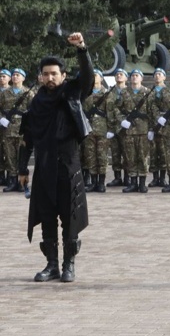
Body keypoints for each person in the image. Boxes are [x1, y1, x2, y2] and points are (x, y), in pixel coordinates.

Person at [18, 32, 93, 282]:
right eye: (46, 74)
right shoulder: (36, 104)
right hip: (44, 167)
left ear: (62, 76)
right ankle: (51, 265)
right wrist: (22, 169)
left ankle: (68, 264)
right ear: (40, 76)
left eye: (54, 74)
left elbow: (88, 79)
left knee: (70, 218)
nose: (50, 78)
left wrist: (82, 49)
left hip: (68, 167)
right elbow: (26, 139)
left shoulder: (71, 94)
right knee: (47, 217)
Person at [81, 69, 115, 193]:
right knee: (90, 156)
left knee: (102, 156)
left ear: (101, 78)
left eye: (96, 76)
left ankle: (101, 182)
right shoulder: (85, 93)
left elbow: (110, 112)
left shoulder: (107, 93)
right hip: (89, 128)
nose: (94, 78)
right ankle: (93, 181)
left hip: (102, 128)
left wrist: (111, 129)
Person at [1, 68, 33, 192]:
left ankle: (23, 183)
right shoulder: (4, 93)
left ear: (23, 78)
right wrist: (1, 119)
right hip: (8, 129)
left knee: (23, 157)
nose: (15, 77)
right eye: (13, 75)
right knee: (10, 157)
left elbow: (33, 110)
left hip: (22, 130)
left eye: (18, 75)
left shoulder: (28, 93)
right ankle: (12, 181)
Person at [119, 69, 151, 193]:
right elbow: (116, 108)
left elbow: (152, 111)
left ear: (141, 78)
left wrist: (152, 129)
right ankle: (133, 183)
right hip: (129, 130)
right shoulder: (124, 93)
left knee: (142, 157)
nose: (134, 78)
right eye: (132, 76)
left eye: (137, 75)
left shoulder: (147, 93)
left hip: (143, 130)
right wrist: (122, 120)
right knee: (130, 157)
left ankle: (142, 183)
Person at [106, 68, 129, 188]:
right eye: (117, 74)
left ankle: (128, 177)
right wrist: (109, 128)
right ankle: (117, 177)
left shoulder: (129, 92)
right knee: (115, 153)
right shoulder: (110, 92)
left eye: (121, 74)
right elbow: (108, 110)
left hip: (126, 128)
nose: (119, 76)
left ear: (126, 78)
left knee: (127, 153)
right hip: (113, 127)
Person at [146, 68, 168, 188]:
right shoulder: (150, 92)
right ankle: (155, 178)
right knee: (153, 153)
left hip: (165, 128)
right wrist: (150, 128)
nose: (157, 76)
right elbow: (147, 110)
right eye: (155, 74)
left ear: (164, 77)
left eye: (160, 74)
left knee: (163, 153)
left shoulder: (168, 91)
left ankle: (163, 178)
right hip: (153, 127)